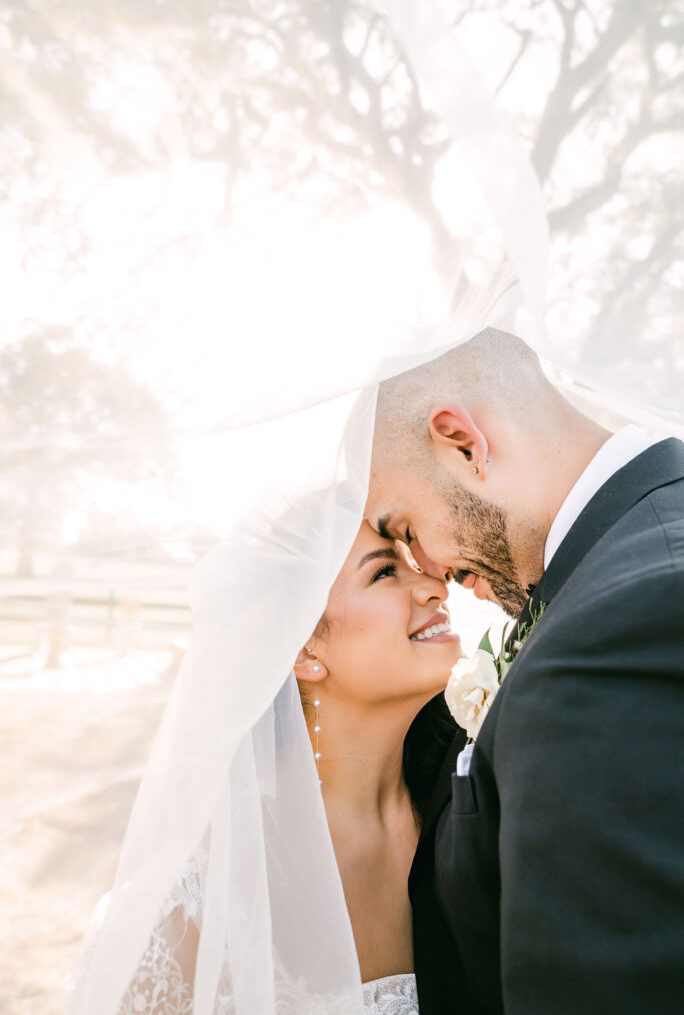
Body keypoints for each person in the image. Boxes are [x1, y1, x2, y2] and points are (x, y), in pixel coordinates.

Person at [367, 326, 684, 1014]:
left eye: (407, 531)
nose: (430, 574)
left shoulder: (611, 634)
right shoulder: (645, 550)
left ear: (462, 443)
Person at [95, 520, 465, 1014]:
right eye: (383, 574)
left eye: (417, 566)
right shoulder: (209, 891)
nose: (434, 586)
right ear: (302, 650)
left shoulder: (475, 809)